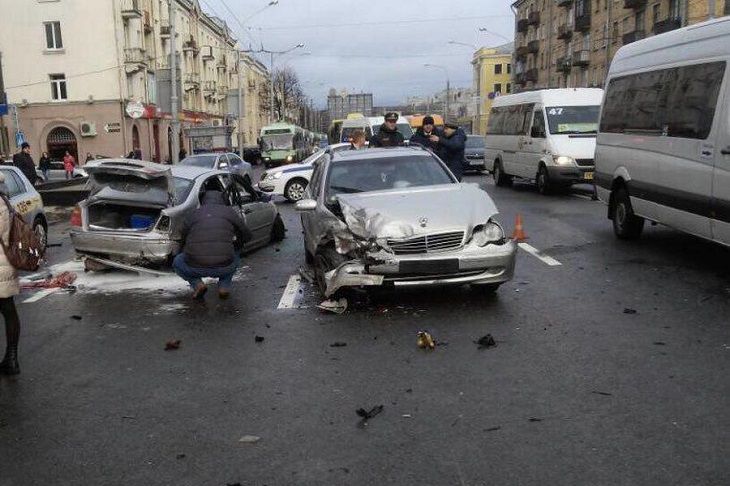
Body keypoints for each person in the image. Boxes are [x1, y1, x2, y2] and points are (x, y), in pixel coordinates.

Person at [173, 190, 252, 300]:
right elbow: (247, 235)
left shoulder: (194, 214)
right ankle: (224, 287)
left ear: (203, 201)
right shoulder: (229, 212)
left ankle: (197, 285)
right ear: (222, 200)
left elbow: (183, 237)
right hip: (225, 266)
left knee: (177, 262)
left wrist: (182, 251)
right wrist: (235, 244)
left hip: (194, 266)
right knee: (235, 253)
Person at [0, 173, 22, 376]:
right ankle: (11, 358)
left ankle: (10, 359)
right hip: (7, 262)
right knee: (8, 310)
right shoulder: (4, 198)